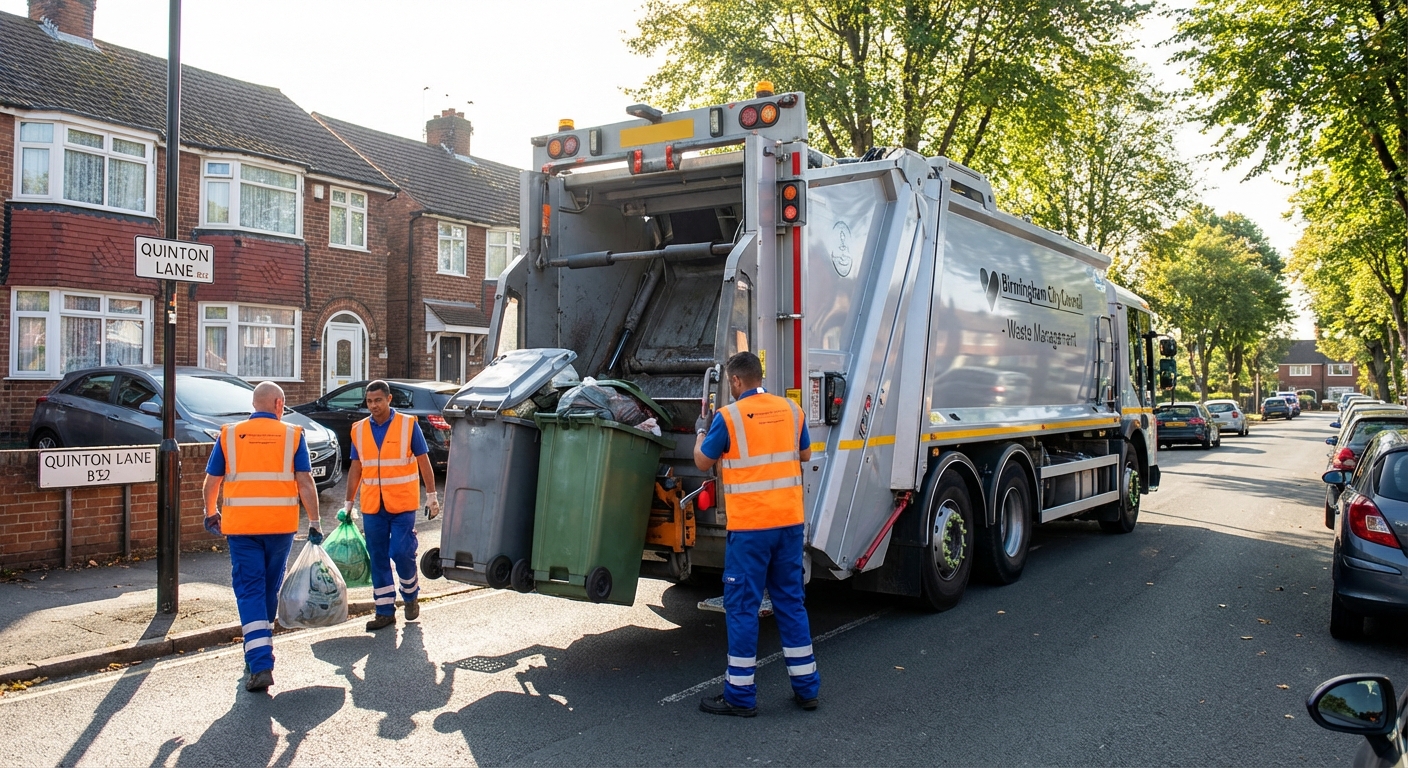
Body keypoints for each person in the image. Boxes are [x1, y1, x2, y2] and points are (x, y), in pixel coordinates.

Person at [693, 351, 819, 717]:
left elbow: (703, 461)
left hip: (750, 530)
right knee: (791, 604)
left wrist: (702, 429)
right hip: (790, 525)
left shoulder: (728, 417)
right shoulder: (791, 412)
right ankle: (807, 689)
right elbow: (806, 454)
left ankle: (740, 696)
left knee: (743, 608)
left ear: (735, 381)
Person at [202, 381, 323, 693]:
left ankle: (259, 661)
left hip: (241, 527)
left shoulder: (229, 434)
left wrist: (211, 512)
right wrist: (315, 521)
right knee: (269, 589)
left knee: (250, 589)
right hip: (280, 526)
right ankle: (259, 651)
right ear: (279, 404)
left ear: (255, 405)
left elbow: (211, 482)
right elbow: (305, 481)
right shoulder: (293, 435)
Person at [344, 380, 439, 631]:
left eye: (378, 400)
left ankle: (410, 595)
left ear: (389, 400)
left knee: (400, 552)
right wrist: (348, 502)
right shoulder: (359, 429)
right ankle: (384, 611)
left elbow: (423, 460)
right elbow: (355, 467)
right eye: (369, 401)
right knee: (377, 557)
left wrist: (432, 495)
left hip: (402, 504)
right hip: (373, 505)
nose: (373, 405)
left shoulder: (408, 425)